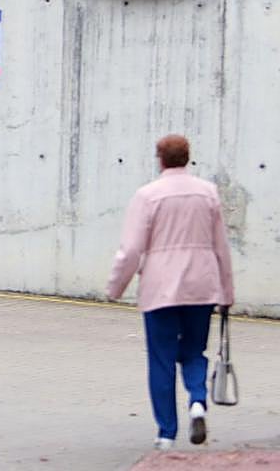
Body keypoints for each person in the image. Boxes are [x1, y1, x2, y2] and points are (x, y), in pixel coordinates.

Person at [107, 134, 235, 452]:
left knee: (161, 359)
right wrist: (227, 292)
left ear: (160, 159)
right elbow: (221, 247)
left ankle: (166, 432)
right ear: (188, 158)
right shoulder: (208, 193)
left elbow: (132, 249)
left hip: (160, 288)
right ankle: (197, 403)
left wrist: (115, 288)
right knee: (193, 353)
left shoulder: (147, 196)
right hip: (202, 287)